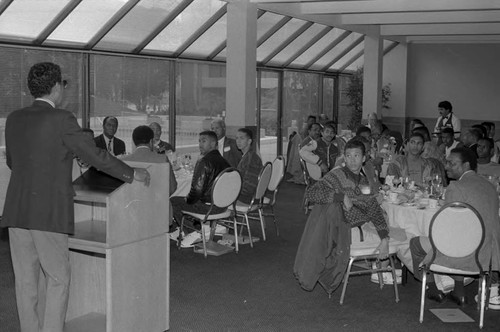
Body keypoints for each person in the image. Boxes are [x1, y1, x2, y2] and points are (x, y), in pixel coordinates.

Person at [1, 62, 150, 332]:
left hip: (16, 209)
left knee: (25, 282)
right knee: (58, 278)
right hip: (47, 212)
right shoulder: (62, 119)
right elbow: (96, 155)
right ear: (57, 86)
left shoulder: (14, 118)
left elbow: (14, 161)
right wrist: (131, 173)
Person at [410, 147, 500, 307]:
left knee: (416, 243)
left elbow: (449, 228)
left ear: (466, 165)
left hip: (467, 253)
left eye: (452, 163)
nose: (446, 166)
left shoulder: (456, 187)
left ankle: (432, 289)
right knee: (460, 239)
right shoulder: (490, 186)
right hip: (488, 253)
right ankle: (459, 292)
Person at [170, 131, 230, 248]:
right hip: (223, 206)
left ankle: (194, 232)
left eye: (204, 141)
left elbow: (196, 191)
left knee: (174, 201)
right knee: (185, 200)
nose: (200, 144)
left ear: (213, 144)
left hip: (209, 208)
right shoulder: (224, 161)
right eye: (199, 141)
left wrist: (187, 201)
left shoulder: (205, 161)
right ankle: (186, 229)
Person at [121, 125, 178, 196]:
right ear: (151, 141)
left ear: (134, 141)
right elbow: (172, 187)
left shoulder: (121, 160)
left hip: (131, 204)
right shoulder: (163, 159)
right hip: (157, 203)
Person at [235, 128, 263, 204]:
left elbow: (249, 187)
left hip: (247, 198)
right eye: (237, 138)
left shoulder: (251, 159)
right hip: (247, 195)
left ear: (249, 141)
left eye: (242, 138)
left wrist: (233, 192)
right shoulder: (248, 155)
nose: (238, 141)